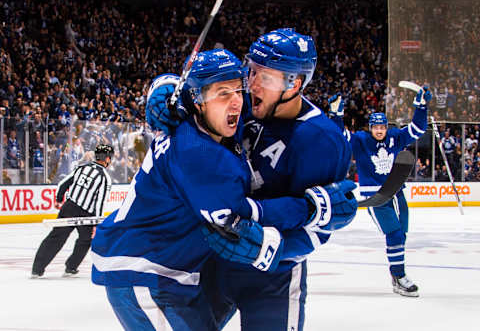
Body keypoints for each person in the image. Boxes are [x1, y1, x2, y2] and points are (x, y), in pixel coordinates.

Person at [91, 49, 354, 331]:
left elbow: (187, 85)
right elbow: (246, 218)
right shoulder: (199, 153)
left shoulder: (201, 123)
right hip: (146, 273)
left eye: (238, 90)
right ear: (197, 100)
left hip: (168, 274)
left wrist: (164, 83)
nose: (237, 101)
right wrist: (314, 208)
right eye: (222, 92)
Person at [329, 86, 432, 297]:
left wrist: (421, 107)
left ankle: (396, 279)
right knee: (393, 234)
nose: (379, 130)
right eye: (375, 127)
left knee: (400, 235)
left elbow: (418, 129)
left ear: (386, 127)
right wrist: (336, 115)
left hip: (396, 191)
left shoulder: (395, 137)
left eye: (382, 127)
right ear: (370, 128)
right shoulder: (360, 141)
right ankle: (400, 275)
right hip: (375, 197)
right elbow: (339, 134)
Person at [31, 144, 113, 278]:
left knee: (56, 237)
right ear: (108, 159)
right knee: (86, 240)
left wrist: (58, 199)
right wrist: (96, 223)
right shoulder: (104, 177)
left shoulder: (81, 168)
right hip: (88, 213)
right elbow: (100, 202)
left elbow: (63, 184)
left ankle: (37, 269)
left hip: (69, 207)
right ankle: (71, 267)